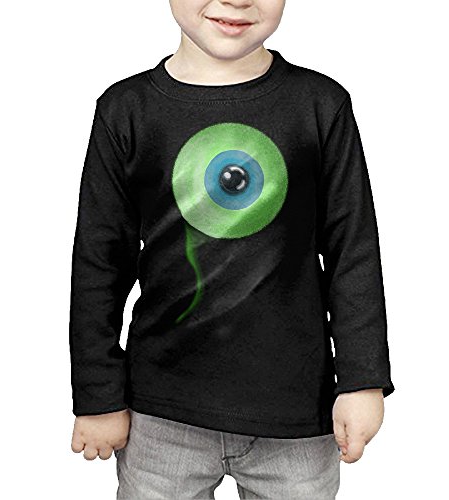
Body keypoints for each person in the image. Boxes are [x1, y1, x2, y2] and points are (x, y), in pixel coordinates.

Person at [69, 0, 395, 498]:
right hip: (161, 413)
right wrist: (97, 395)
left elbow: (352, 250)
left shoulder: (320, 103)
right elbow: (99, 261)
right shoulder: (126, 109)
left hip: (296, 415)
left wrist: (362, 379)